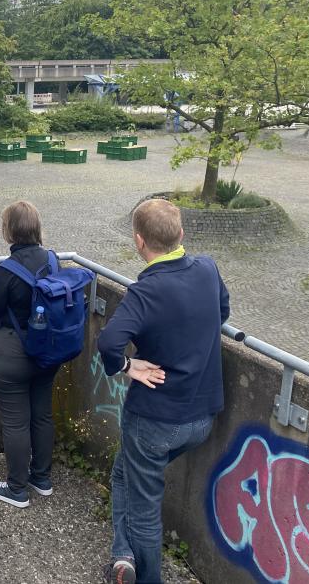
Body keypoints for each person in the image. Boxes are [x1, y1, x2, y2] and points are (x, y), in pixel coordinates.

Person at [97, 199, 229, 584]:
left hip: (155, 421)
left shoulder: (145, 291)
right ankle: (124, 556)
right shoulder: (207, 268)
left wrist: (127, 366)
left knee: (144, 506)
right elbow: (221, 311)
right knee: (125, 472)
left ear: (139, 242)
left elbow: (108, 343)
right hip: (202, 417)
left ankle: (146, 577)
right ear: (181, 235)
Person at [0, 200, 57, 508]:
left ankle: (16, 488)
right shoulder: (52, 261)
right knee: (42, 414)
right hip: (49, 352)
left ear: (8, 232)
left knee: (15, 421)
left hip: (12, 354)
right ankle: (41, 478)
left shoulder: (5, 272)